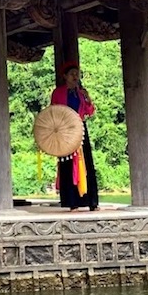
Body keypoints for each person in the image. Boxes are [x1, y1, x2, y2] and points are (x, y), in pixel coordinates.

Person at [51, 60, 98, 211]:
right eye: (72, 74)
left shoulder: (81, 93)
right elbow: (53, 112)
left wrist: (88, 98)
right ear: (65, 76)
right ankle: (72, 202)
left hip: (80, 128)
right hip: (65, 129)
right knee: (68, 164)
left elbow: (90, 112)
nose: (75, 77)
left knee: (86, 163)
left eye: (77, 74)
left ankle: (91, 201)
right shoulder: (58, 93)